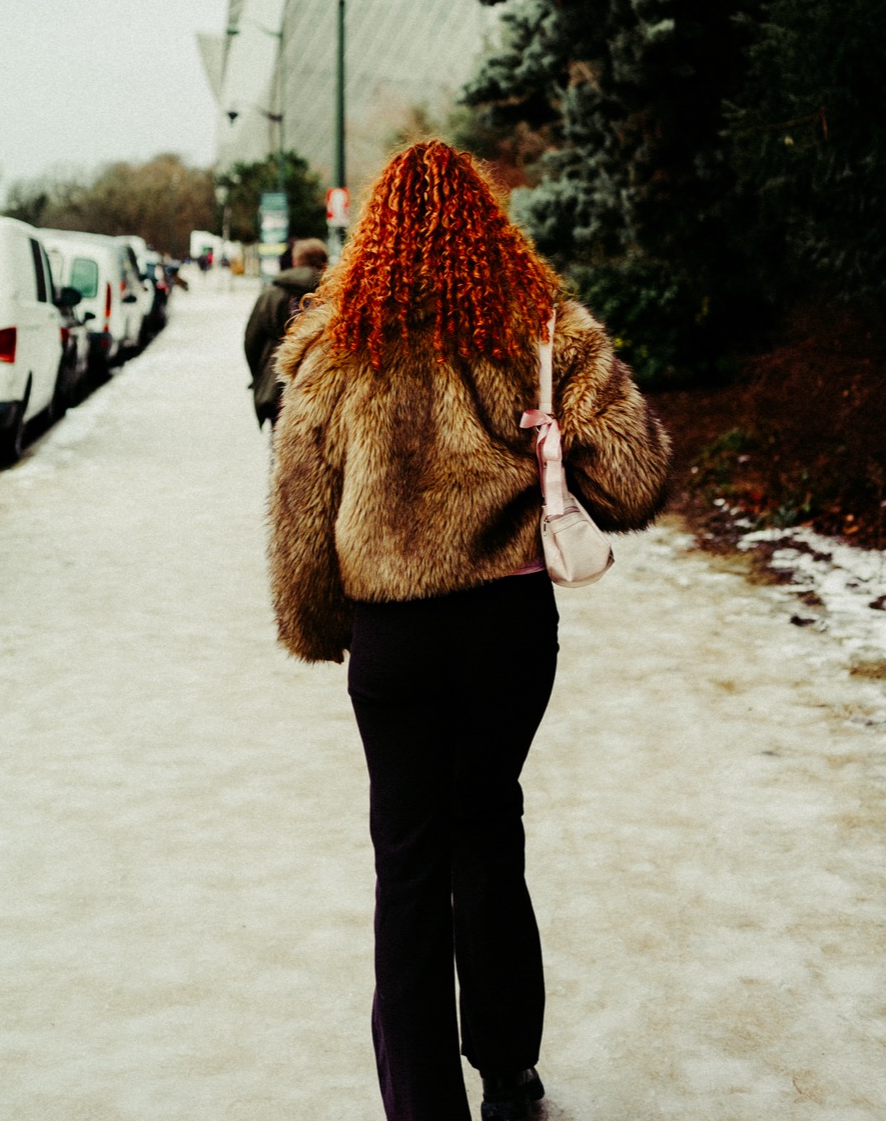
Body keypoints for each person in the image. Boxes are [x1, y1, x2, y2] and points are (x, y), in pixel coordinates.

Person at [268, 141, 671, 1121]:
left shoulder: (335, 347)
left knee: (406, 863)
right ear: (489, 223)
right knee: (487, 827)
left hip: (394, 637)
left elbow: (299, 511)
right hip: (505, 627)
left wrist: (318, 626)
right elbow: (636, 476)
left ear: (374, 231)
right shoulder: (539, 329)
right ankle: (507, 1073)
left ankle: (421, 1106)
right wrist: (555, 442)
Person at [243, 236, 329, 427]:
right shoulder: (333, 293)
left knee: (281, 438)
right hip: (323, 384)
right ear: (325, 262)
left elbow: (252, 341)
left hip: (277, 383)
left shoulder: (271, 294)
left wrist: (259, 377)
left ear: (296, 261)